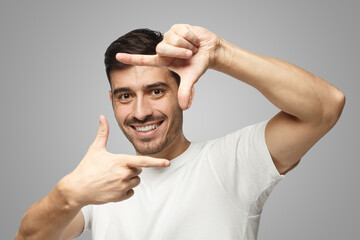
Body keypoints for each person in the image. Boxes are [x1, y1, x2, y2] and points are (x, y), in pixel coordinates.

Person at [16, 24, 345, 240]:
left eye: (156, 91)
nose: (141, 111)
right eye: (125, 96)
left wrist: (220, 55)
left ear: (183, 89)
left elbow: (327, 106)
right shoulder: (102, 183)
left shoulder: (234, 161)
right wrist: (68, 193)